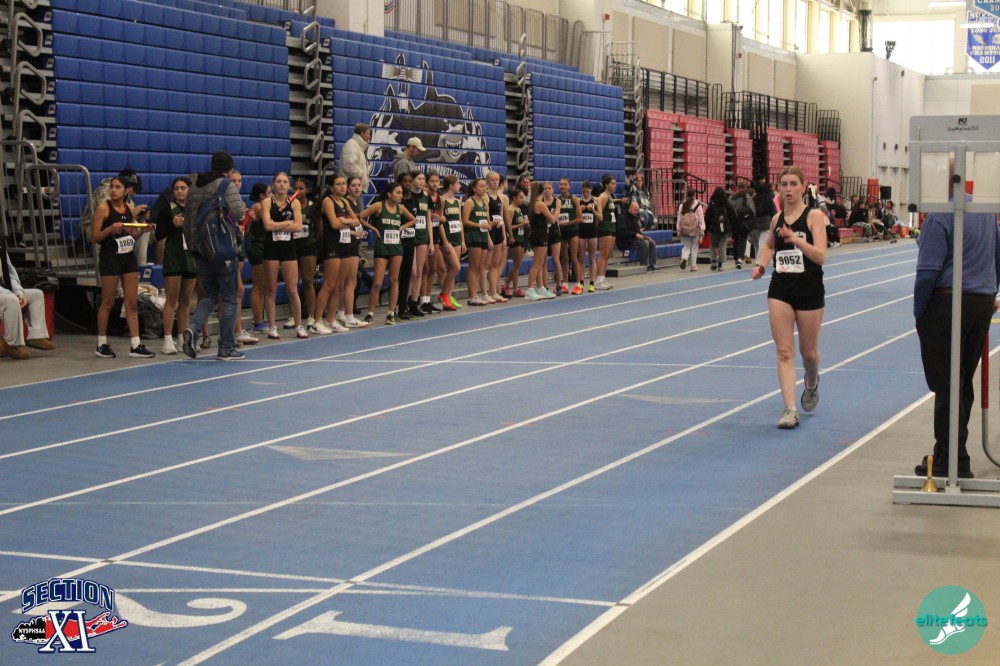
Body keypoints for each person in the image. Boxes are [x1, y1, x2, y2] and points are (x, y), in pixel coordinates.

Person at [912, 184, 1000, 479]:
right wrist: (990, 291)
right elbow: (998, 255)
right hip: (980, 302)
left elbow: (927, 272)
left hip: (947, 303)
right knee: (961, 382)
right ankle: (948, 453)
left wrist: (919, 311)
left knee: (948, 385)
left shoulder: (940, 215)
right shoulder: (985, 212)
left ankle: (954, 460)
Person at [751, 166, 827, 429]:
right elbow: (769, 245)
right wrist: (761, 265)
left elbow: (820, 256)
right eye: (784, 184)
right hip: (781, 289)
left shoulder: (814, 216)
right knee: (784, 351)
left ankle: (812, 381)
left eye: (794, 184)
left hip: (809, 290)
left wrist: (797, 240)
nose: (788, 189)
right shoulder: (777, 219)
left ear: (804, 187)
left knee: (809, 354)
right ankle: (790, 409)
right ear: (778, 189)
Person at [181, 150, 248, 360]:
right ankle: (226, 348)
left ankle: (193, 327)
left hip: (200, 250)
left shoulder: (194, 186)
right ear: (229, 168)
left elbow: (188, 220)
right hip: (222, 249)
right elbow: (239, 213)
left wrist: (194, 247)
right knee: (229, 299)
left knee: (210, 295)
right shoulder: (225, 185)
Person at [92, 176, 155, 359]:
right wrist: (109, 229)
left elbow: (130, 236)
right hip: (110, 258)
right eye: (112, 187)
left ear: (126, 190)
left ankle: (135, 345)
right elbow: (94, 237)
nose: (113, 190)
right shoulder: (103, 208)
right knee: (108, 301)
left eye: (117, 187)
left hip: (128, 258)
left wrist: (142, 231)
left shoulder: (129, 209)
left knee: (131, 302)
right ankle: (101, 343)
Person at [361, 181, 416, 325]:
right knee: (377, 282)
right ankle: (370, 313)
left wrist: (401, 228)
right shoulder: (379, 206)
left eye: (401, 193)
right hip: (382, 247)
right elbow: (360, 217)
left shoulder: (400, 208)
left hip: (396, 247)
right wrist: (373, 229)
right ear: (389, 194)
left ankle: (391, 313)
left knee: (393, 280)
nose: (401, 195)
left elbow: (413, 219)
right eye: (398, 193)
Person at [259, 172, 306, 340]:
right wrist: (287, 223)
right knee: (271, 289)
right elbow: (267, 225)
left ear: (289, 185)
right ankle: (272, 326)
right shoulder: (267, 202)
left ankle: (299, 325)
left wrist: (278, 225)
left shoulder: (295, 203)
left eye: (285, 182)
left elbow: (298, 226)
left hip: (288, 248)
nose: (281, 184)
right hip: (271, 248)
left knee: (292, 289)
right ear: (273, 184)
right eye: (278, 181)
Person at [155, 177, 197, 355]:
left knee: (186, 300)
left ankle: (182, 338)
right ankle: (167, 339)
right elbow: (158, 234)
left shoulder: (195, 210)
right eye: (176, 188)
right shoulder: (168, 209)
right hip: (174, 257)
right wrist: (173, 224)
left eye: (183, 188)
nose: (179, 191)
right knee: (171, 299)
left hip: (190, 257)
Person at [0, 244, 53, 359]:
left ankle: (36, 335)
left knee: (36, 295)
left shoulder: (1, 247)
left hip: (3, 292)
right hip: (3, 293)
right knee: (11, 300)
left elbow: (10, 274)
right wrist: (11, 294)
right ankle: (10, 345)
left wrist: (19, 292)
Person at [616, 200, 659, 272]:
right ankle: (644, 266)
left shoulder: (634, 218)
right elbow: (622, 232)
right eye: (635, 210)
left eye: (637, 210)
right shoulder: (622, 218)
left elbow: (638, 232)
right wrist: (635, 234)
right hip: (625, 241)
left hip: (633, 239)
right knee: (644, 243)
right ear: (629, 208)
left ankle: (652, 264)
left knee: (651, 242)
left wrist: (645, 237)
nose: (636, 212)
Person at [704, 187, 736, 271]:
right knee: (722, 245)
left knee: (713, 245)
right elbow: (732, 216)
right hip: (725, 228)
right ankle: (720, 264)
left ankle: (713, 262)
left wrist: (706, 229)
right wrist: (733, 227)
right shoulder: (726, 204)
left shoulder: (712, 204)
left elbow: (707, 217)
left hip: (714, 228)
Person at [577, 180, 599, 291]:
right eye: (584, 192)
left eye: (587, 192)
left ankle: (591, 283)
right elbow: (574, 216)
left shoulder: (596, 200)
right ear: (581, 190)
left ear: (591, 190)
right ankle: (581, 282)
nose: (585, 194)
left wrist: (593, 210)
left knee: (592, 257)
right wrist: (579, 210)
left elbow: (600, 217)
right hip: (581, 231)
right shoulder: (578, 201)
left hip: (592, 231)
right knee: (581, 258)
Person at [676, 188, 704, 271]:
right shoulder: (698, 205)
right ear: (694, 195)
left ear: (686, 194)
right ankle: (693, 266)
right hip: (695, 229)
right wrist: (702, 229)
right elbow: (701, 218)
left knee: (686, 245)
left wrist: (678, 229)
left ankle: (684, 258)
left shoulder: (682, 205)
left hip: (684, 229)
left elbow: (679, 218)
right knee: (694, 247)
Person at [750, 182, 778, 265]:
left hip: (755, 223)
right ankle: (759, 260)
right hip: (766, 223)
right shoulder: (768, 198)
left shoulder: (754, 199)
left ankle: (757, 258)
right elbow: (773, 211)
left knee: (756, 244)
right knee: (762, 242)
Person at [728, 183, 755, 269]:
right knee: (742, 240)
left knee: (735, 240)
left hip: (733, 222)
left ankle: (736, 258)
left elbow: (728, 210)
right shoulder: (747, 197)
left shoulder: (731, 197)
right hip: (743, 222)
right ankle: (740, 259)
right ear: (745, 188)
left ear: (737, 188)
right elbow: (752, 210)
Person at [339, 123, 371, 193]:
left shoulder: (358, 146)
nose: (369, 136)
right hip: (351, 189)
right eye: (368, 133)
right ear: (362, 133)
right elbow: (349, 164)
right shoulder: (352, 145)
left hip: (355, 187)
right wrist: (362, 175)